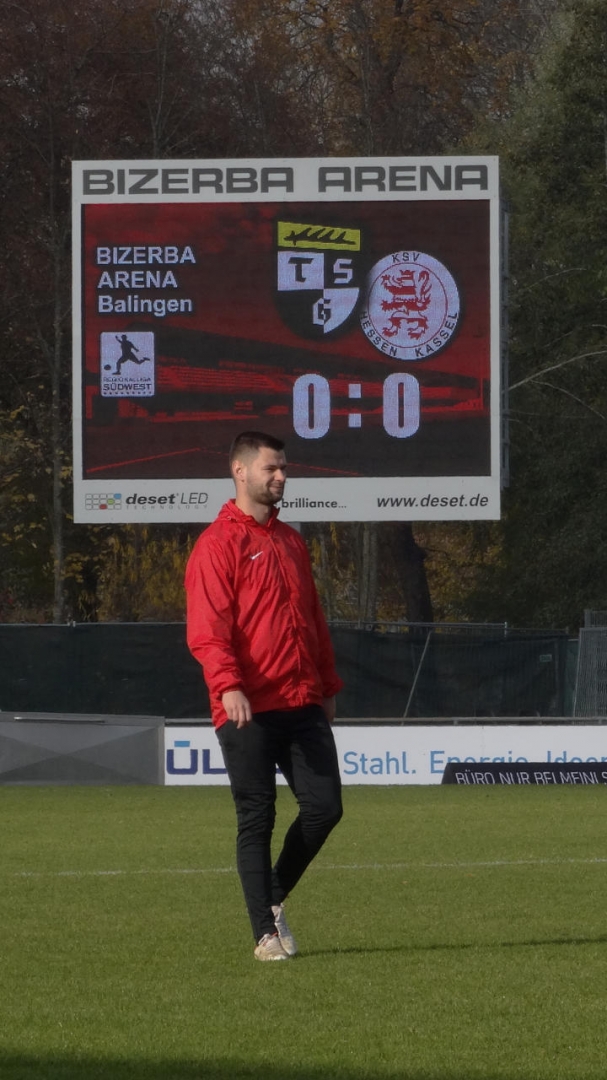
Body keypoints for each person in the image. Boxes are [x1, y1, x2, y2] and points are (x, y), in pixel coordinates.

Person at [185, 431, 343, 962]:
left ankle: (271, 897)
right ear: (240, 470)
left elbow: (313, 620)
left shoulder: (291, 541)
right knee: (257, 816)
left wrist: (327, 685)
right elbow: (208, 628)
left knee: (325, 809)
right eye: (271, 468)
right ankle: (264, 935)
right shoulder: (217, 544)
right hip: (245, 706)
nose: (280, 476)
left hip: (301, 700)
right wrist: (228, 683)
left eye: (284, 468)